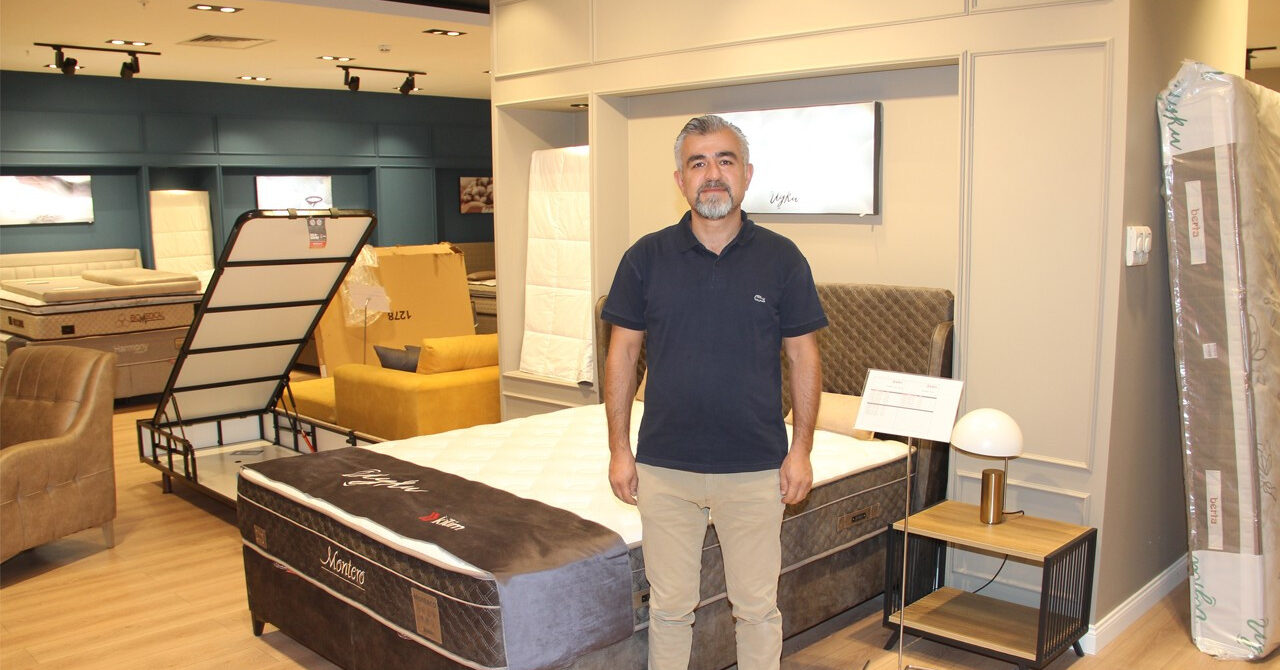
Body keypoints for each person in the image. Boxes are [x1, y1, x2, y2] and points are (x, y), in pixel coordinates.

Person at [601, 114, 827, 670]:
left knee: (757, 610)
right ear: (680, 179)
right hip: (664, 467)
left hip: (755, 468)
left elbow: (804, 356)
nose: (712, 174)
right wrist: (619, 449)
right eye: (698, 163)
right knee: (670, 610)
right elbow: (621, 355)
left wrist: (801, 450)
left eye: (725, 161)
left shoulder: (782, 259)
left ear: (746, 174)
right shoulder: (644, 258)